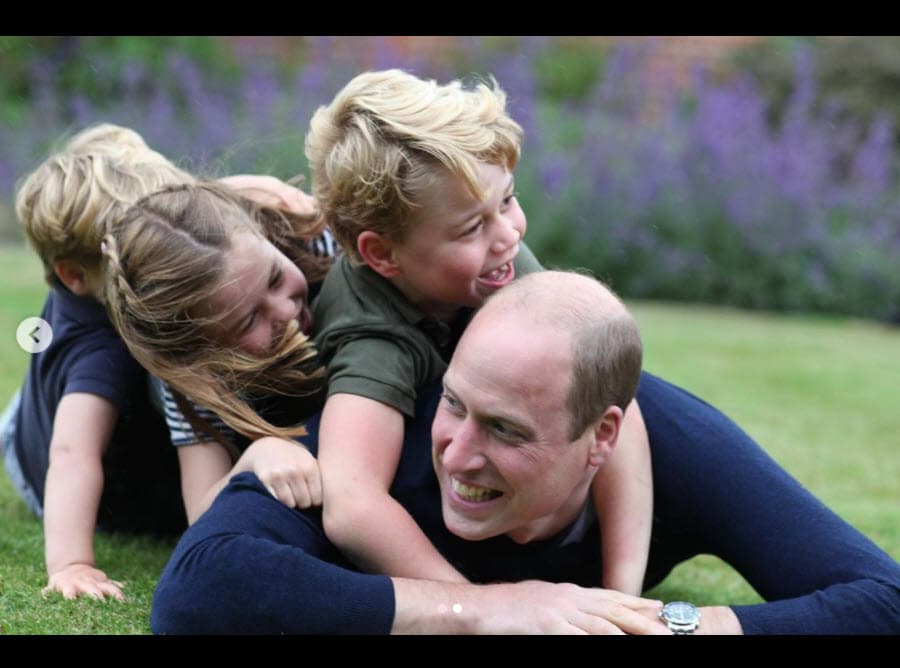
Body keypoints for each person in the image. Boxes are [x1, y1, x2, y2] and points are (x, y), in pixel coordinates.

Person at [149, 270, 900, 634]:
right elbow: (198, 591)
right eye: (456, 404)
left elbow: (880, 598)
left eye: (506, 431)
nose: (459, 454)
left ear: (602, 437)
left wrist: (661, 627)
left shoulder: (673, 443)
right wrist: (481, 611)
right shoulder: (381, 436)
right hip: (144, 442)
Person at [305, 69, 652, 592]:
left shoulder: (496, 255)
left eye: (508, 200)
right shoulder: (371, 332)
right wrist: (479, 611)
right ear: (382, 254)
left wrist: (622, 594)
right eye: (472, 227)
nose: (509, 234)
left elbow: (617, 406)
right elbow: (352, 504)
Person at [0, 123, 330, 601]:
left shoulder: (168, 250)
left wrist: (238, 192)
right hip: (38, 458)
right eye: (135, 252)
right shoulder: (99, 349)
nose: (162, 251)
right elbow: (73, 455)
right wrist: (72, 563)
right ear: (78, 275)